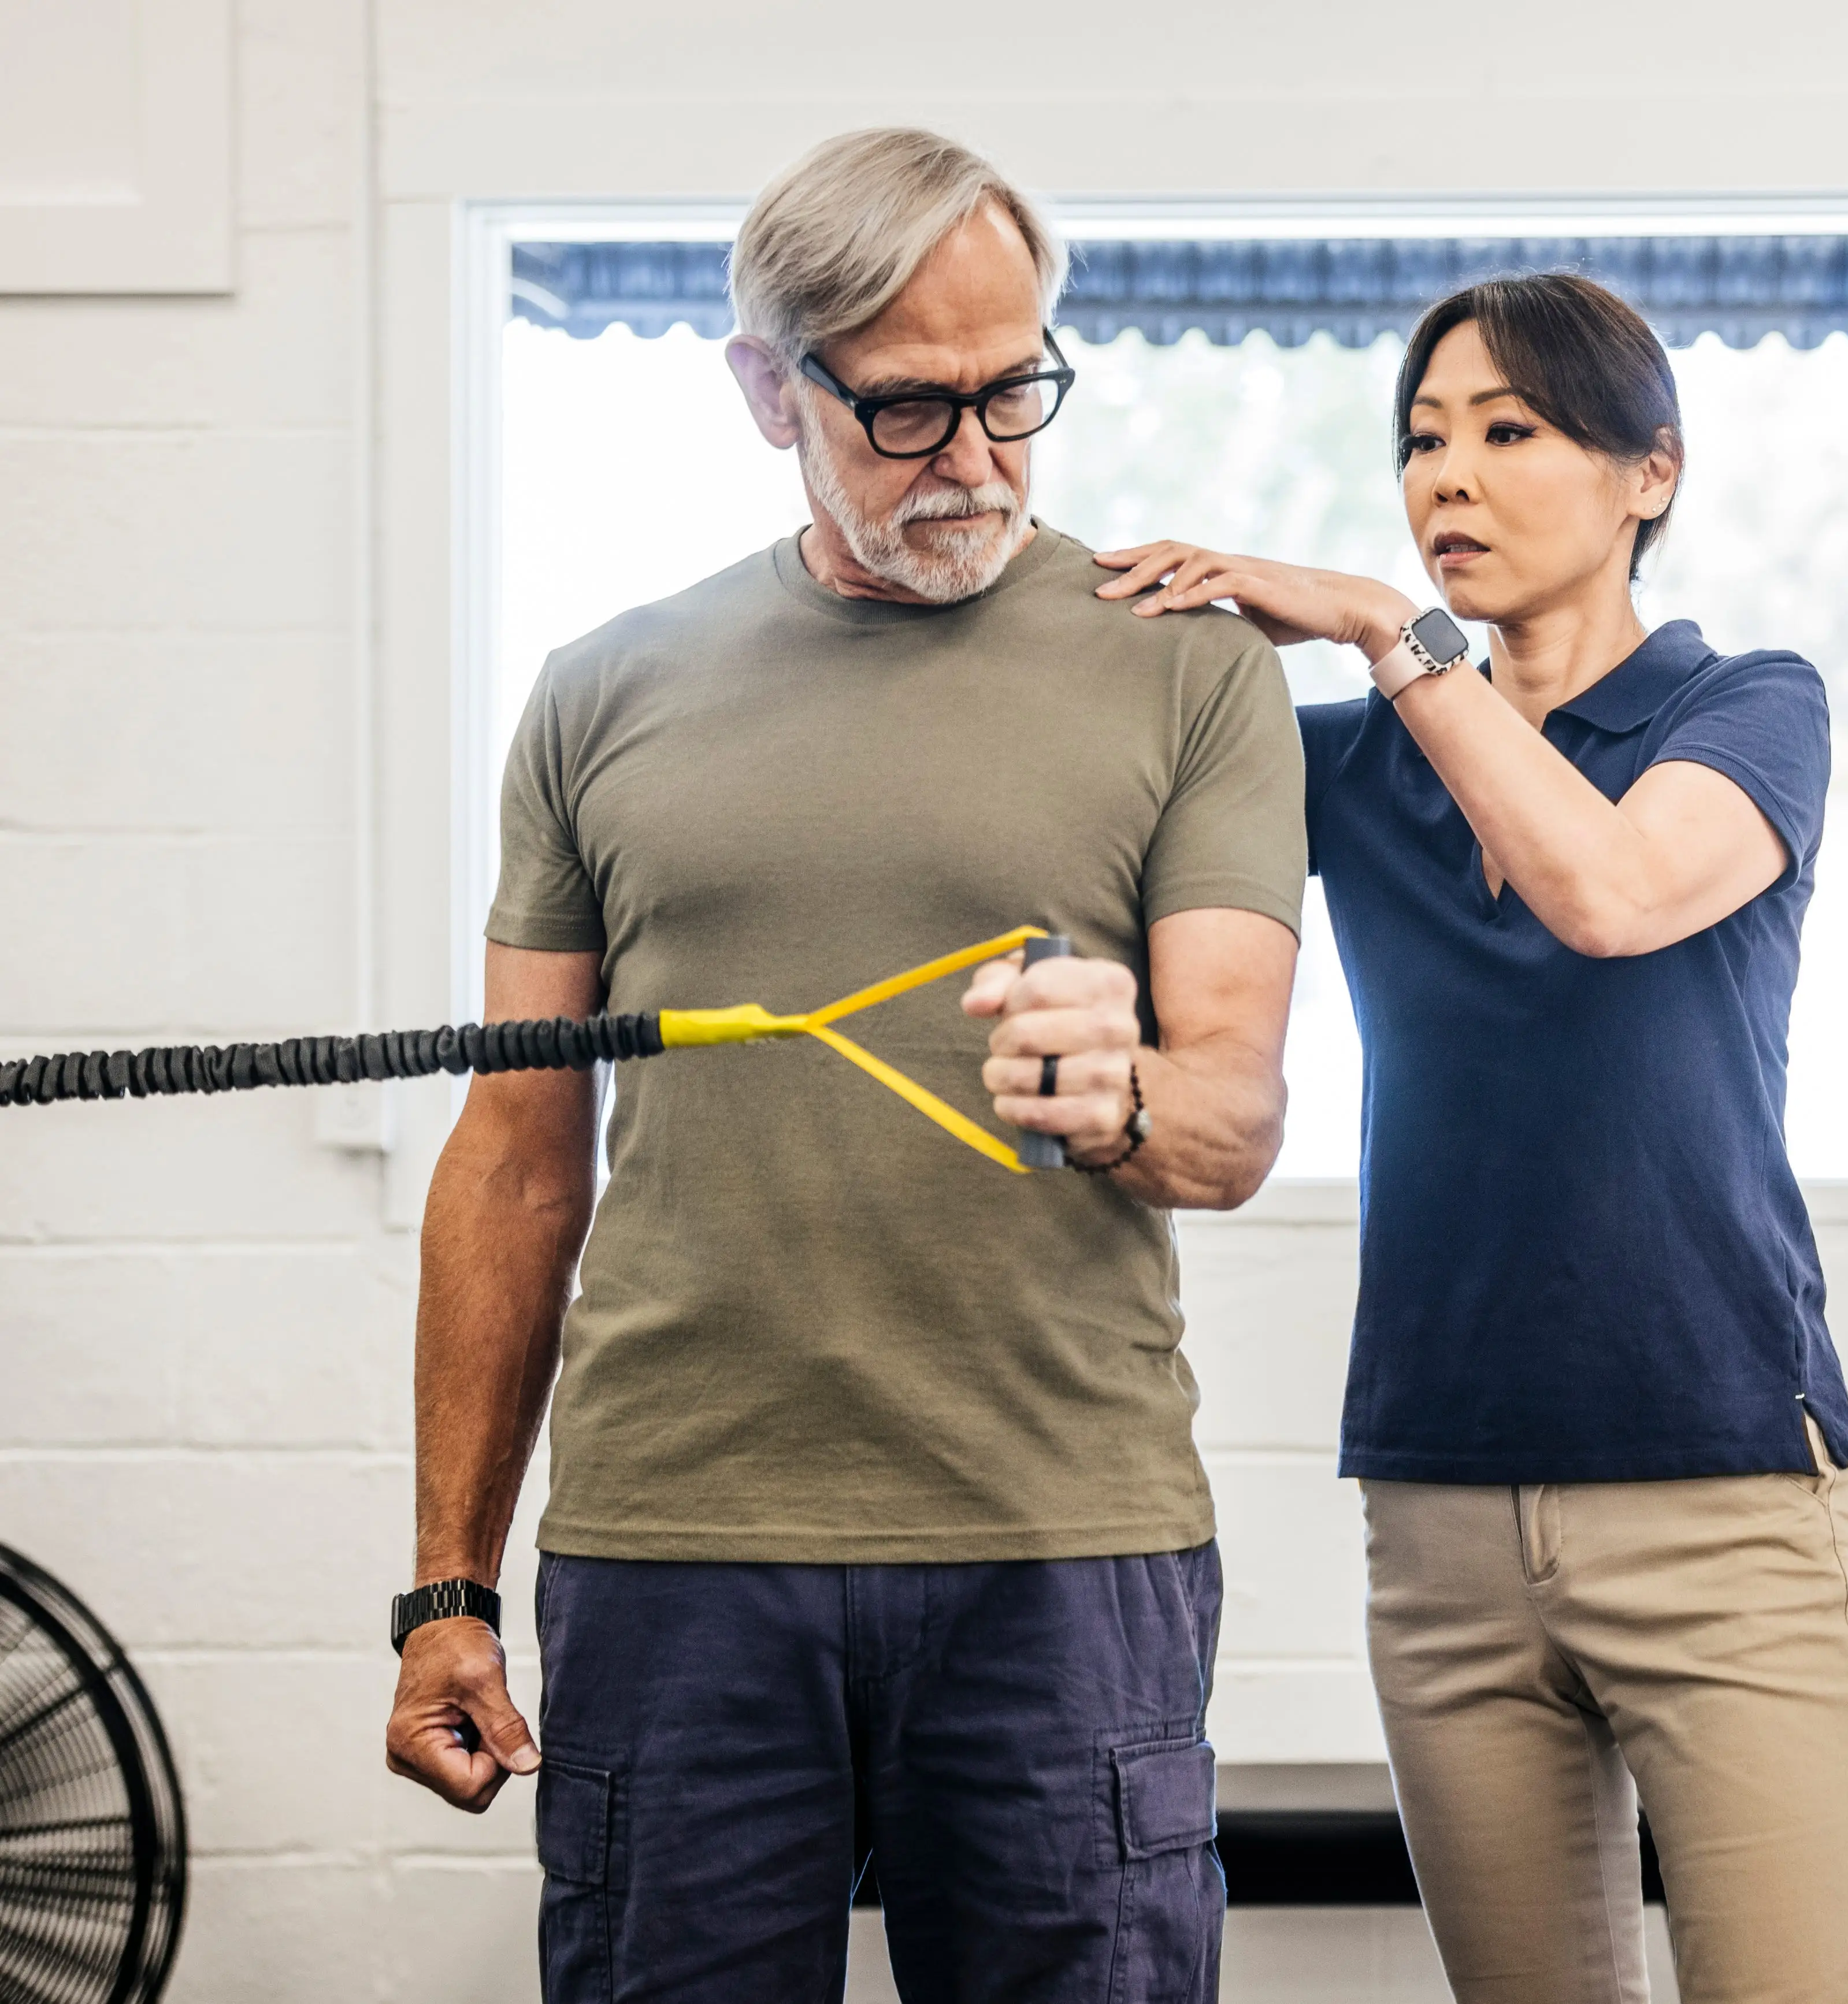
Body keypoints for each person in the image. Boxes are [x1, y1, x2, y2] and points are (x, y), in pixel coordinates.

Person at [382, 128, 1306, 2003]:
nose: (977, 459)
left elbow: (1236, 1113)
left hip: (1065, 1553)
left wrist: (1122, 1089)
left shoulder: (1187, 674)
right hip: (676, 1555)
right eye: (906, 411)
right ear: (764, 390)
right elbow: (516, 1156)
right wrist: (448, 1585)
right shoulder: (601, 692)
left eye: (1016, 392)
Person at [1096, 273, 1848, 2004]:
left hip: (1727, 1502)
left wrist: (1394, 639)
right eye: (1421, 437)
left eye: (1508, 430)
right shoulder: (1350, 768)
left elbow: (1606, 888)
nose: (1446, 474)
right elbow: (1100, 792)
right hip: (1444, 1518)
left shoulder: (1750, 705)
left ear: (1649, 474)